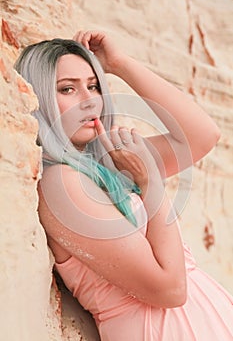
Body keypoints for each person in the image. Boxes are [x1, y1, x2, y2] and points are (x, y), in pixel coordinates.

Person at [15, 30, 233, 341]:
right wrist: (150, 182)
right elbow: (168, 289)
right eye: (67, 89)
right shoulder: (60, 182)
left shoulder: (108, 163)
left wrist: (119, 64)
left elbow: (202, 134)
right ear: (39, 99)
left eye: (93, 86)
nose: (89, 101)